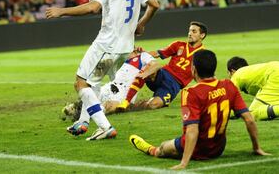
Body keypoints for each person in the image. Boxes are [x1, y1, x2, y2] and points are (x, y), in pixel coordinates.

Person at [46, 0, 159, 140]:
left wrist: (61, 11)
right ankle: (83, 122)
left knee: (81, 83)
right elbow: (154, 4)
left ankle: (105, 126)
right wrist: (141, 24)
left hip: (107, 45)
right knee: (93, 82)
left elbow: (92, 7)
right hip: (124, 47)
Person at [129, 50, 269, 170]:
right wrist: (257, 148)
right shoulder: (228, 85)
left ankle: (150, 149)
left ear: (194, 69)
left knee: (163, 147)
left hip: (197, 149)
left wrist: (184, 163)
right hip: (218, 148)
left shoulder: (191, 93)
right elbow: (249, 119)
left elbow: (192, 130)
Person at [116, 21, 207, 111]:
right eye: (189, 31)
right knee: (149, 68)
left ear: (202, 35)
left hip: (173, 86)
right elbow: (157, 53)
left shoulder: (203, 54)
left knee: (153, 105)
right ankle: (126, 101)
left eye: (194, 31)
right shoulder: (178, 45)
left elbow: (203, 76)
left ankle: (132, 107)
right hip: (163, 74)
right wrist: (144, 53)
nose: (190, 34)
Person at [62, 51, 159, 121]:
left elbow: (156, 65)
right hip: (108, 88)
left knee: (109, 105)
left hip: (123, 94)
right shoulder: (120, 61)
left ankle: (90, 113)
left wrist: (145, 74)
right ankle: (79, 106)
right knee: (78, 85)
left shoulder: (142, 57)